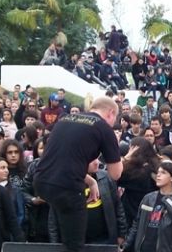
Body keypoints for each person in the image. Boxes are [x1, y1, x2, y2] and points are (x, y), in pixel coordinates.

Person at [34, 96, 123, 251]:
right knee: (75, 245)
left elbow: (67, 160)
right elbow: (115, 174)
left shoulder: (65, 118)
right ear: (111, 113)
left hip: (41, 181)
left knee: (65, 230)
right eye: (114, 119)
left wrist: (91, 181)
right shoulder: (103, 128)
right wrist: (116, 148)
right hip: (67, 188)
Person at [124, 161, 172, 252]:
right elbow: (137, 224)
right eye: (158, 172)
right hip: (145, 248)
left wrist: (168, 200)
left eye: (163, 173)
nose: (158, 175)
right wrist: (126, 245)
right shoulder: (148, 198)